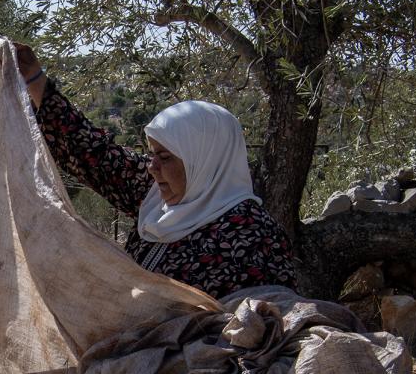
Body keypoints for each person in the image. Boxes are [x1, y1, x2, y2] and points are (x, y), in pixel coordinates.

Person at [15, 43, 298, 298]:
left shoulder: (255, 238)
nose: (152, 167)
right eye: (151, 154)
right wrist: (36, 80)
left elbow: (258, 332)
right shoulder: (155, 197)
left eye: (164, 157)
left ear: (204, 161)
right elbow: (96, 154)